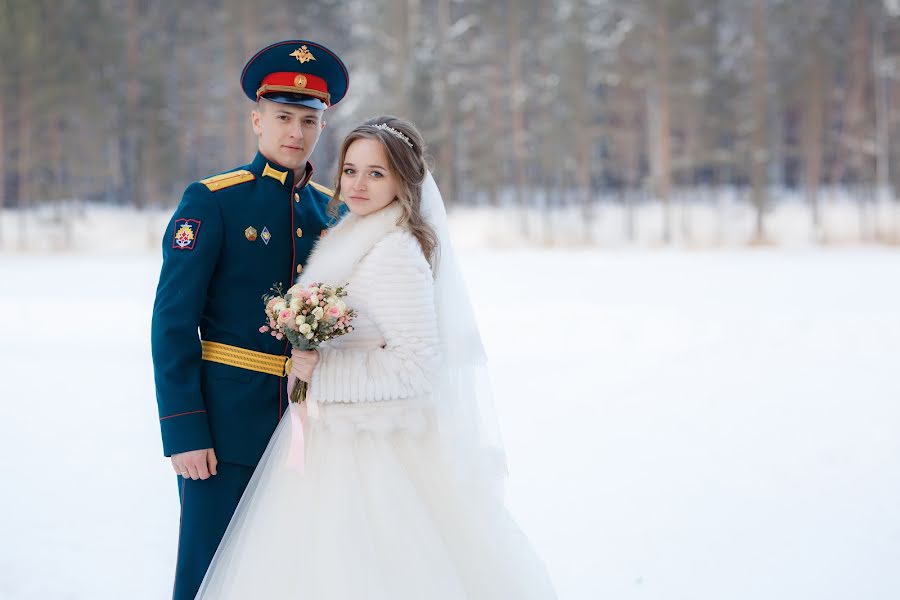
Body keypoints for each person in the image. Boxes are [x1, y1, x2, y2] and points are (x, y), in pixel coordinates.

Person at [196, 116, 557, 599]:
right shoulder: (349, 234)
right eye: (350, 170)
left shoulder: (394, 253)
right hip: (326, 439)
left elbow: (418, 364)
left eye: (376, 173)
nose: (358, 184)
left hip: (371, 448)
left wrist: (320, 373)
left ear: (403, 181)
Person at [150, 39, 349, 600]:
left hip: (308, 431)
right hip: (223, 429)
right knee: (209, 576)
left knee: (290, 576)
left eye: (308, 120)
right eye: (283, 117)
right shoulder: (213, 202)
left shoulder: (332, 211)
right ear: (256, 119)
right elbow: (171, 325)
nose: (296, 132)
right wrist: (184, 430)